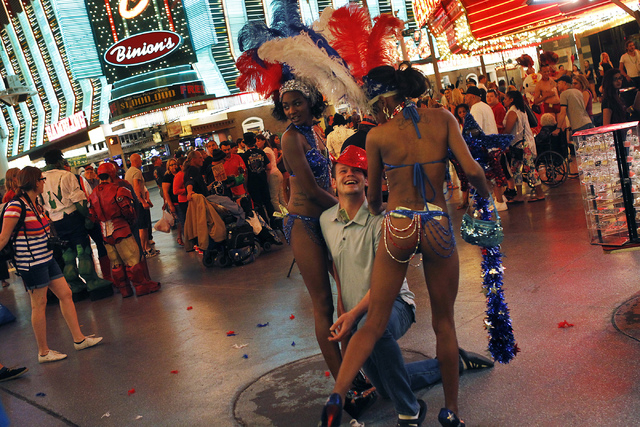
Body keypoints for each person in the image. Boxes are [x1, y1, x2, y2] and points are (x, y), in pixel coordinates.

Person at [322, 63, 491, 427]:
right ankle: (451, 412)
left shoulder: (377, 136)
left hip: (398, 225)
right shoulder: (444, 117)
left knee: (373, 324)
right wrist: (486, 200)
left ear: (380, 102)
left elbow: (374, 199)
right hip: (435, 223)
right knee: (444, 323)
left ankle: (336, 397)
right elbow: (473, 171)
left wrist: (380, 208)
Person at [274, 79, 342, 381]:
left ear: (311, 100)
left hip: (328, 219)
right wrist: (350, 209)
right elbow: (313, 190)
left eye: (297, 103)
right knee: (323, 304)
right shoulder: (290, 138)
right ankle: (345, 381)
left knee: (350, 294)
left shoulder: (316, 131)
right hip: (305, 226)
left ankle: (358, 364)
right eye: (286, 106)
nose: (292, 111)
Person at [0, 167, 103, 363]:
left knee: (65, 294)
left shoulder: (35, 203)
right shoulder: (15, 206)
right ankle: (43, 352)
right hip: (31, 263)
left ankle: (79, 339)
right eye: (42, 179)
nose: (44, 182)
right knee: (39, 304)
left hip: (46, 258)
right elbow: (4, 237)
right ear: (34, 182)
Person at [40, 149, 113, 301]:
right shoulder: (67, 175)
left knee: (68, 254)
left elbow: (40, 204)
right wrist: (87, 217)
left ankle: (75, 285)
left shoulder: (40, 179)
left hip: (56, 222)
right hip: (73, 218)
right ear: (59, 161)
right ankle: (92, 282)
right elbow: (80, 201)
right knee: (83, 250)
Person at [89, 163, 160, 297]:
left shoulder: (94, 193)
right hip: (122, 228)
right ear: (113, 172)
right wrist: (132, 221)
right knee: (133, 259)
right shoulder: (119, 187)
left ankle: (124, 289)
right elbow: (129, 209)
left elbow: (92, 215)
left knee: (116, 264)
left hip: (105, 232)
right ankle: (141, 286)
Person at [503, 90, 546, 203]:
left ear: (511, 100)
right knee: (517, 169)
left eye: (506, 99)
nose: (504, 101)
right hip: (523, 143)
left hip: (521, 144)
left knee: (528, 168)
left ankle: (539, 193)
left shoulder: (513, 112)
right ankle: (521, 194)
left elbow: (508, 129)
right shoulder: (520, 110)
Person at [125, 153, 158, 258]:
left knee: (140, 227)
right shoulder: (136, 172)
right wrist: (143, 201)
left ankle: (144, 249)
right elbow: (136, 187)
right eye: (140, 159)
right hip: (138, 203)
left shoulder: (128, 172)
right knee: (143, 227)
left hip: (133, 202)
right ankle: (145, 250)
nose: (141, 161)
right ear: (137, 160)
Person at [242, 133, 275, 229]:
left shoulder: (244, 156)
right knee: (268, 203)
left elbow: (246, 173)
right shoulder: (261, 152)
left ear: (245, 144)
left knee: (258, 205)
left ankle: (266, 226)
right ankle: (275, 223)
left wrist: (245, 186)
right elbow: (268, 167)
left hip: (253, 184)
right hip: (263, 181)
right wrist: (266, 179)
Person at [258, 134, 286, 215]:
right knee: (281, 198)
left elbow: (269, 166)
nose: (257, 143)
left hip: (273, 174)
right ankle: (288, 215)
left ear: (264, 141)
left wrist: (267, 179)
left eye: (259, 141)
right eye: (256, 141)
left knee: (274, 199)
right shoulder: (268, 149)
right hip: (277, 173)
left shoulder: (266, 151)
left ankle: (283, 217)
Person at [162, 158, 184, 246]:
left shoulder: (180, 174)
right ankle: (187, 241)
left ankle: (179, 237)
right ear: (168, 167)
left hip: (182, 200)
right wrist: (170, 205)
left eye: (175, 164)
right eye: (171, 165)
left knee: (181, 221)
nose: (174, 166)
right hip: (175, 202)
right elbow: (165, 192)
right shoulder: (167, 177)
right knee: (182, 220)